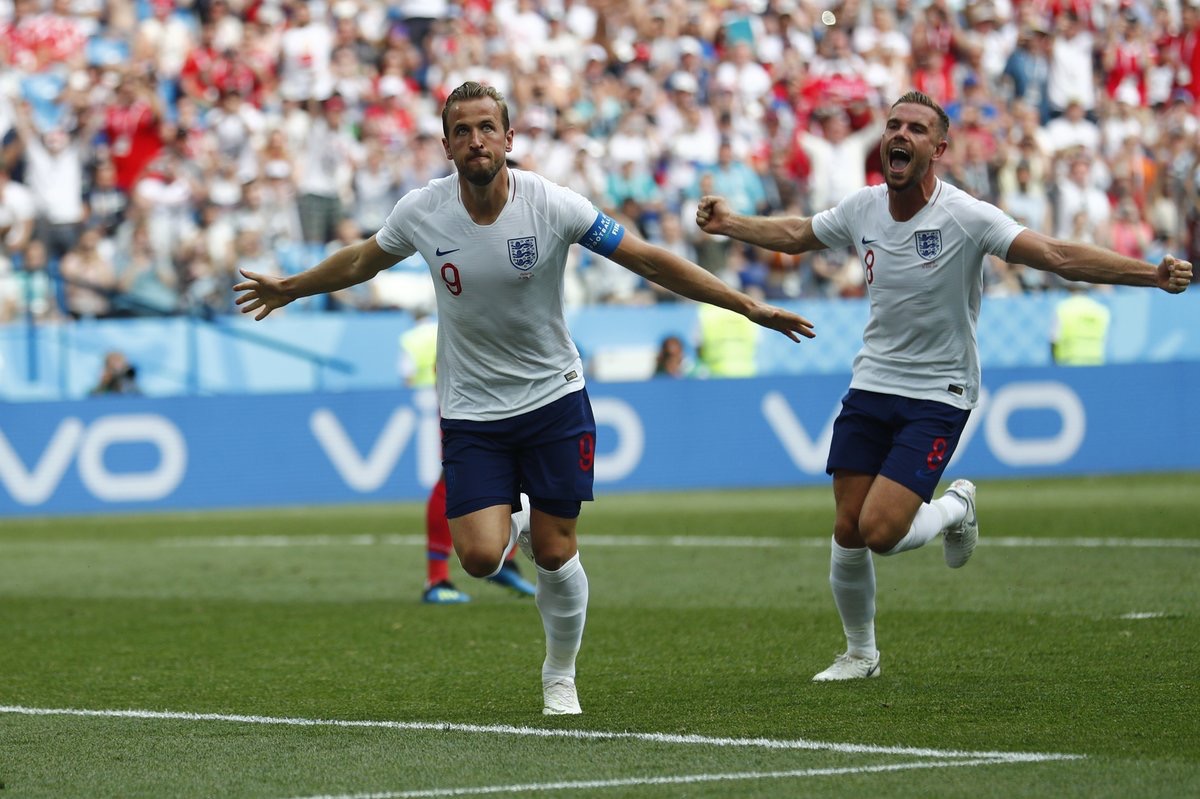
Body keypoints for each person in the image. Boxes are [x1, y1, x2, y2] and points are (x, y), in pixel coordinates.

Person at [234, 81, 815, 714]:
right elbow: (360, 263)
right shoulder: (422, 211)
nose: (475, 139)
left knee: (558, 550)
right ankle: (519, 528)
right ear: (447, 144)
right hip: (472, 410)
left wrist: (746, 303)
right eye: (462, 130)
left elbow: (648, 261)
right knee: (481, 558)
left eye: (487, 127)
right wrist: (291, 288)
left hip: (554, 399)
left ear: (509, 139)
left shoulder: (553, 204)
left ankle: (559, 676)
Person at [696, 90, 1192, 682]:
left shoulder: (965, 215)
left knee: (881, 531)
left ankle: (956, 506)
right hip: (872, 382)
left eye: (916, 129)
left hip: (939, 391)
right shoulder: (863, 207)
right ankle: (860, 654)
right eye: (893, 125)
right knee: (847, 528)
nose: (899, 135)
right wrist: (730, 224)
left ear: (938, 148)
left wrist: (1151, 276)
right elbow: (800, 232)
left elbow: (1056, 254)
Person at [400, 307, 536, 604]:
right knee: (451, 478)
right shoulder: (466, 296)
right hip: (466, 400)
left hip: (509, 395)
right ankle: (436, 580)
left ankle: (504, 559)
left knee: (519, 475)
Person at [1051, 285, 1111, 366]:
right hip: (1095, 360)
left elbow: (1054, 338)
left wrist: (1054, 361)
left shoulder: (1063, 308)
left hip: (1069, 361)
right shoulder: (1101, 310)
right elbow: (1105, 337)